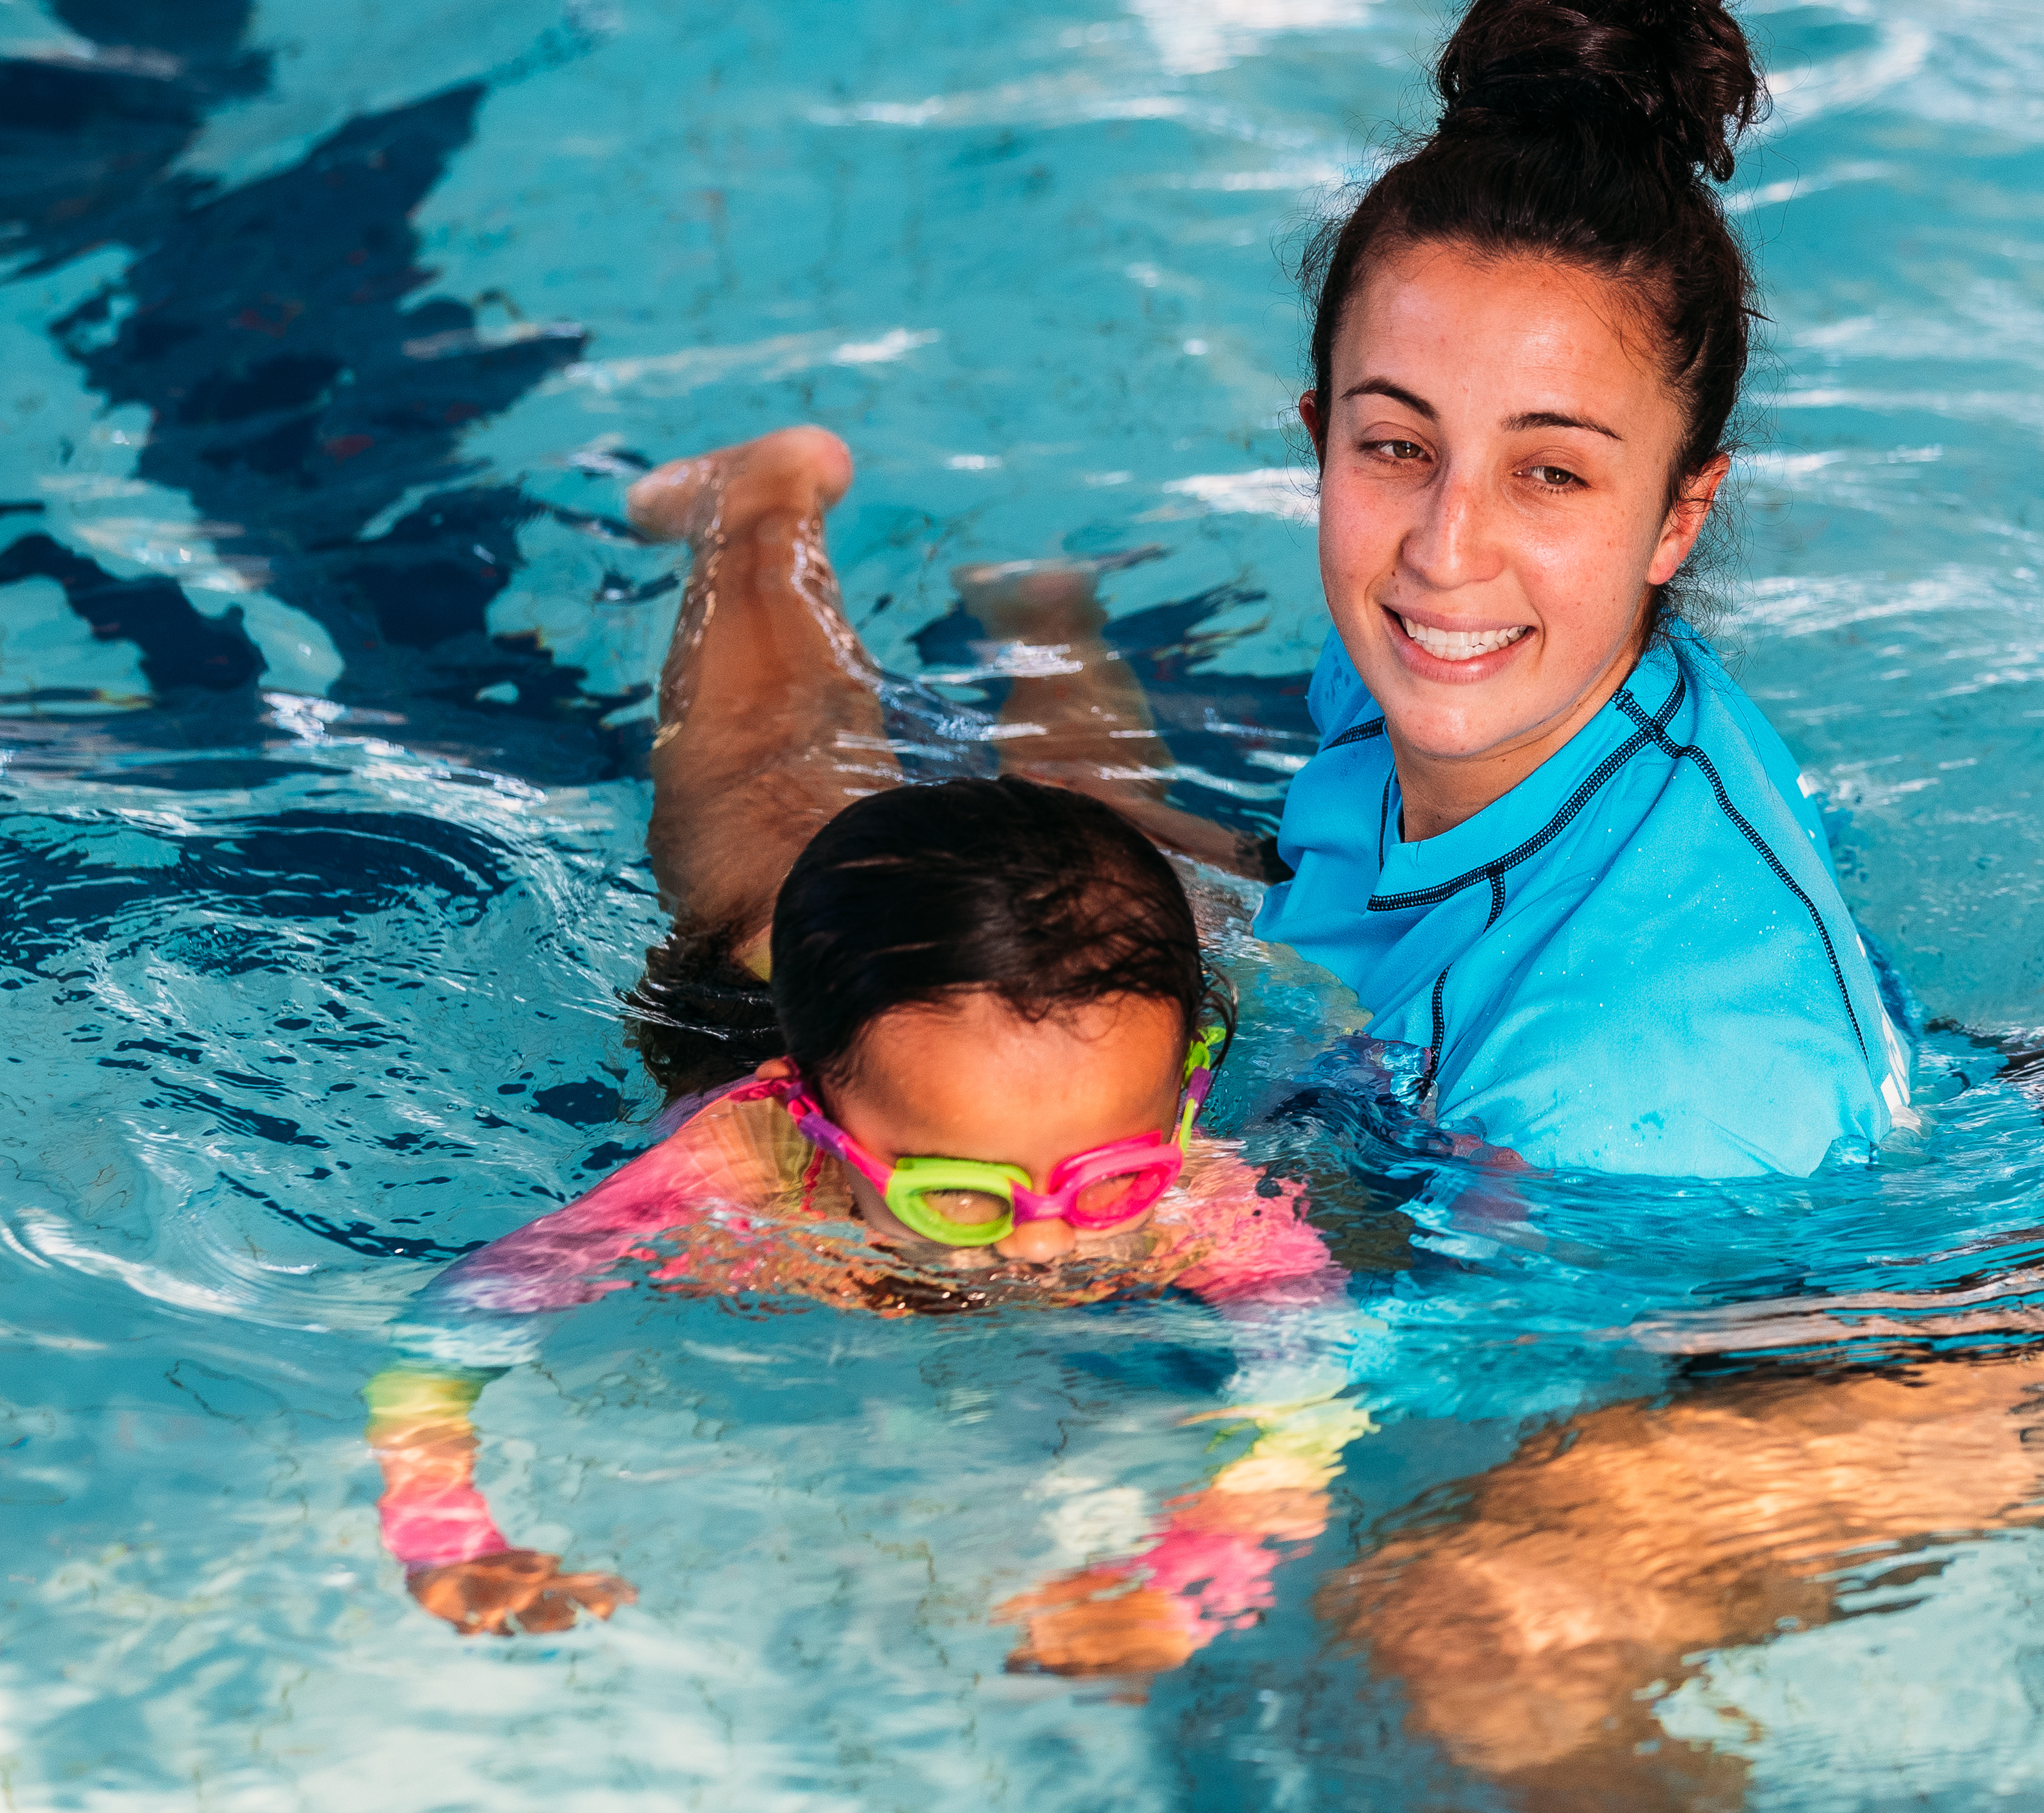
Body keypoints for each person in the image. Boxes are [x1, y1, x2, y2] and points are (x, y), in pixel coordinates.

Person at [360, 430, 1358, 1650]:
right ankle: (760, 500)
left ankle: (1046, 605)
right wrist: (447, 1529)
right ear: (818, 1118)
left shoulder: (1197, 1192)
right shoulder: (742, 1166)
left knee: (1097, 807)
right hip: (772, 949)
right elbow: (453, 1330)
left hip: (1047, 961)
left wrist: (1199, 1567)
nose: (1045, 1246)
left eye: (1111, 1181)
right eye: (960, 1194)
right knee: (767, 786)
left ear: (1180, 1100)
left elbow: (1313, 1376)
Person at [1254, 0, 1917, 1180]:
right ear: (1317, 438)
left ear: (1678, 513)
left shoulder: (1617, 1098)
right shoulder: (1471, 671)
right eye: (1394, 446)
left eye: (1548, 472)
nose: (1445, 550)